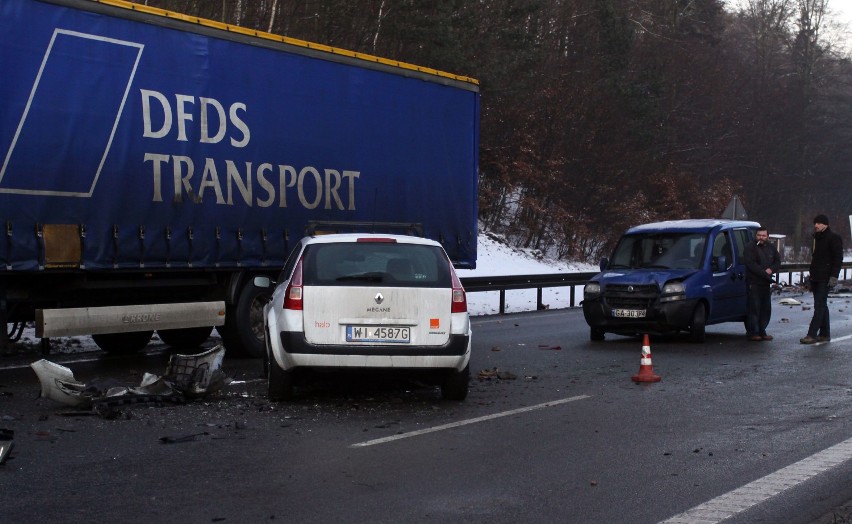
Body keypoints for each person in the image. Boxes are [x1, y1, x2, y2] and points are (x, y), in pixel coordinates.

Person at [800, 214, 843, 344]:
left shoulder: (834, 238)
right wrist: (811, 276)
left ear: (825, 224)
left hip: (826, 277)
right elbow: (816, 259)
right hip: (816, 277)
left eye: (819, 223)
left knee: (819, 306)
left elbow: (837, 259)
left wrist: (834, 276)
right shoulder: (816, 238)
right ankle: (824, 334)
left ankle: (811, 334)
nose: (816, 225)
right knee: (821, 305)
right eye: (815, 223)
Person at [743, 227, 780, 341]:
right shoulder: (750, 247)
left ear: (767, 236)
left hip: (765, 283)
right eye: (759, 235)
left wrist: (771, 269)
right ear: (756, 235)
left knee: (765, 308)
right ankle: (753, 332)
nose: (761, 238)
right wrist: (764, 272)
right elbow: (751, 264)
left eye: (764, 235)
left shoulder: (771, 248)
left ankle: (762, 330)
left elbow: (777, 261)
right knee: (754, 308)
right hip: (754, 282)